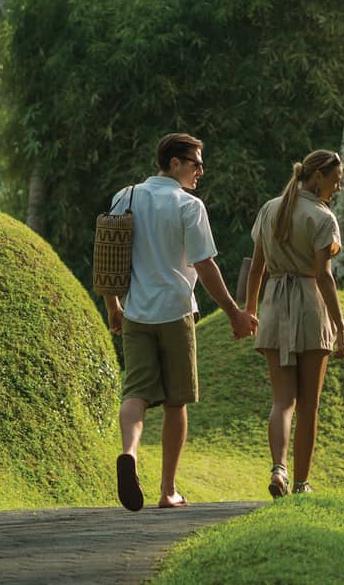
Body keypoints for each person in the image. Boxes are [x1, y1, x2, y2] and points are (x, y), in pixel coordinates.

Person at [103, 133, 257, 512]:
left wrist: (113, 307)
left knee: (135, 392)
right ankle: (168, 490)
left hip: (135, 311)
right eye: (195, 162)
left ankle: (129, 453)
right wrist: (234, 312)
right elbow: (205, 266)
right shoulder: (189, 205)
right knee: (176, 402)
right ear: (174, 163)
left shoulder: (126, 197)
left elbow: (107, 256)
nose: (201, 170)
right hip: (175, 311)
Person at [242, 149, 344, 498]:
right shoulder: (322, 217)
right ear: (317, 176)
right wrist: (341, 327)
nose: (338, 186)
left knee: (282, 401)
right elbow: (323, 276)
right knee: (309, 406)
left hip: (274, 306)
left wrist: (250, 310)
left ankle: (279, 469)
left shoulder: (270, 208)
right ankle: (302, 483)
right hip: (309, 308)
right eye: (335, 180)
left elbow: (256, 267)